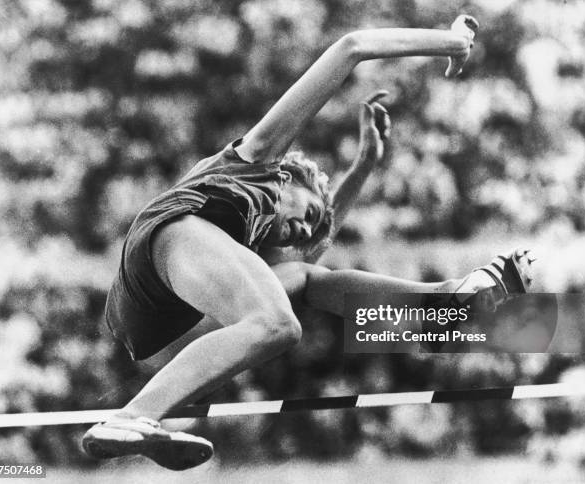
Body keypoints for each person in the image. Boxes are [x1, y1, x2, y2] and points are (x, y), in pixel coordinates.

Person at [82, 15, 533, 470]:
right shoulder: (257, 159)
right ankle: (134, 415)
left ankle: (436, 310)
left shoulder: (249, 244)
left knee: (302, 277)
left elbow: (311, 259)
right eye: (308, 213)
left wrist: (363, 166)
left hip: (155, 322)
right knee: (277, 324)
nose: (302, 229)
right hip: (164, 242)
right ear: (290, 177)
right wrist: (449, 43)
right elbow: (351, 46)